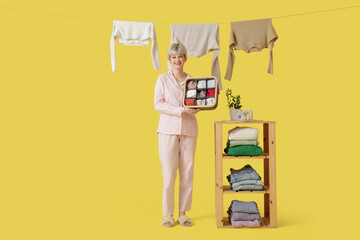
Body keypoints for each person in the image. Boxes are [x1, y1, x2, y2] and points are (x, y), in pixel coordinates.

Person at [154, 43, 200, 227]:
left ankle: (183, 213)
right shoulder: (162, 79)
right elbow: (158, 103)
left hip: (189, 130)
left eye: (180, 56)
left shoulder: (193, 81)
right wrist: (180, 110)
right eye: (173, 57)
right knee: (169, 173)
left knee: (187, 172)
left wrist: (200, 107)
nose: (177, 60)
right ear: (169, 60)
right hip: (167, 130)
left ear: (185, 58)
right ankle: (168, 214)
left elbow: (196, 104)